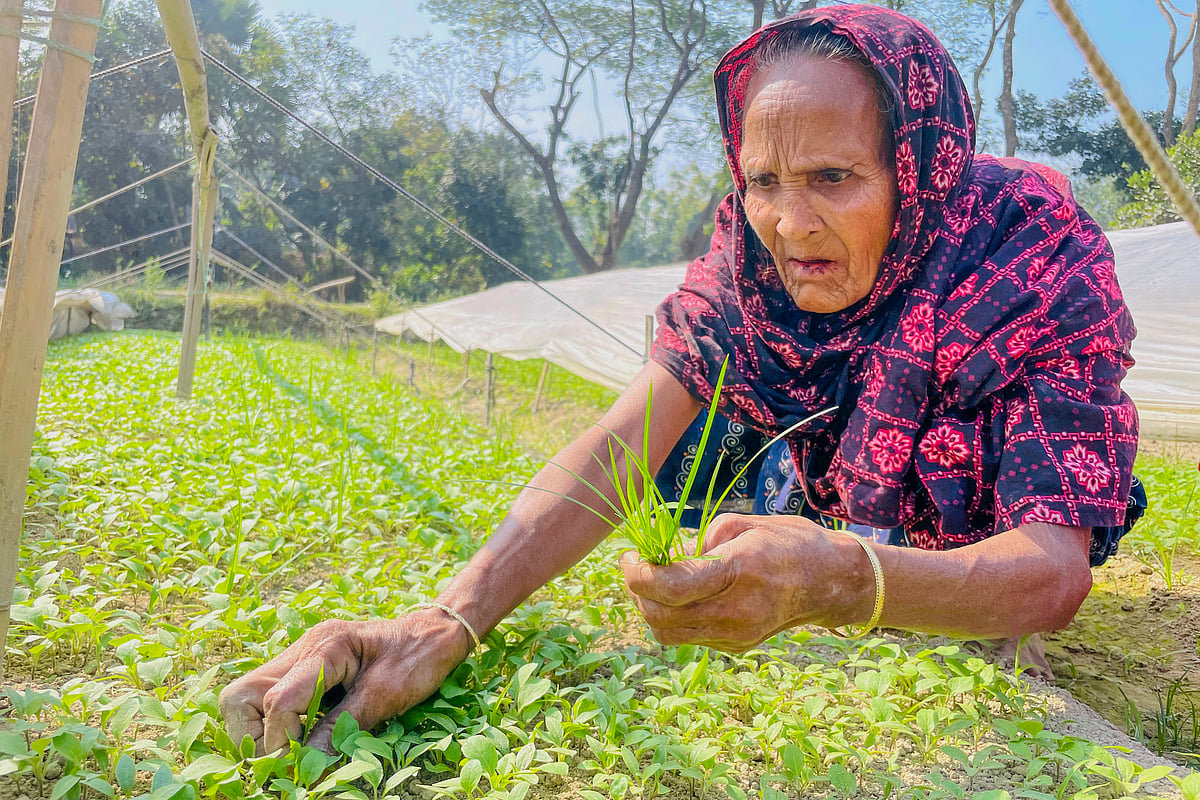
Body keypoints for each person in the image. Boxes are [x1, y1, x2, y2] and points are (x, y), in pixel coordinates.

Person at [219, 4, 1142, 755]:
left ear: (916, 167)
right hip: (831, 472)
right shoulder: (746, 251)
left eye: (833, 176)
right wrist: (449, 618)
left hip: (980, 516)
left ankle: (930, 582)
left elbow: (1051, 573)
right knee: (687, 455)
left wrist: (840, 584)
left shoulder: (1027, 247)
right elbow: (627, 438)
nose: (790, 222)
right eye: (765, 180)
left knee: (964, 536)